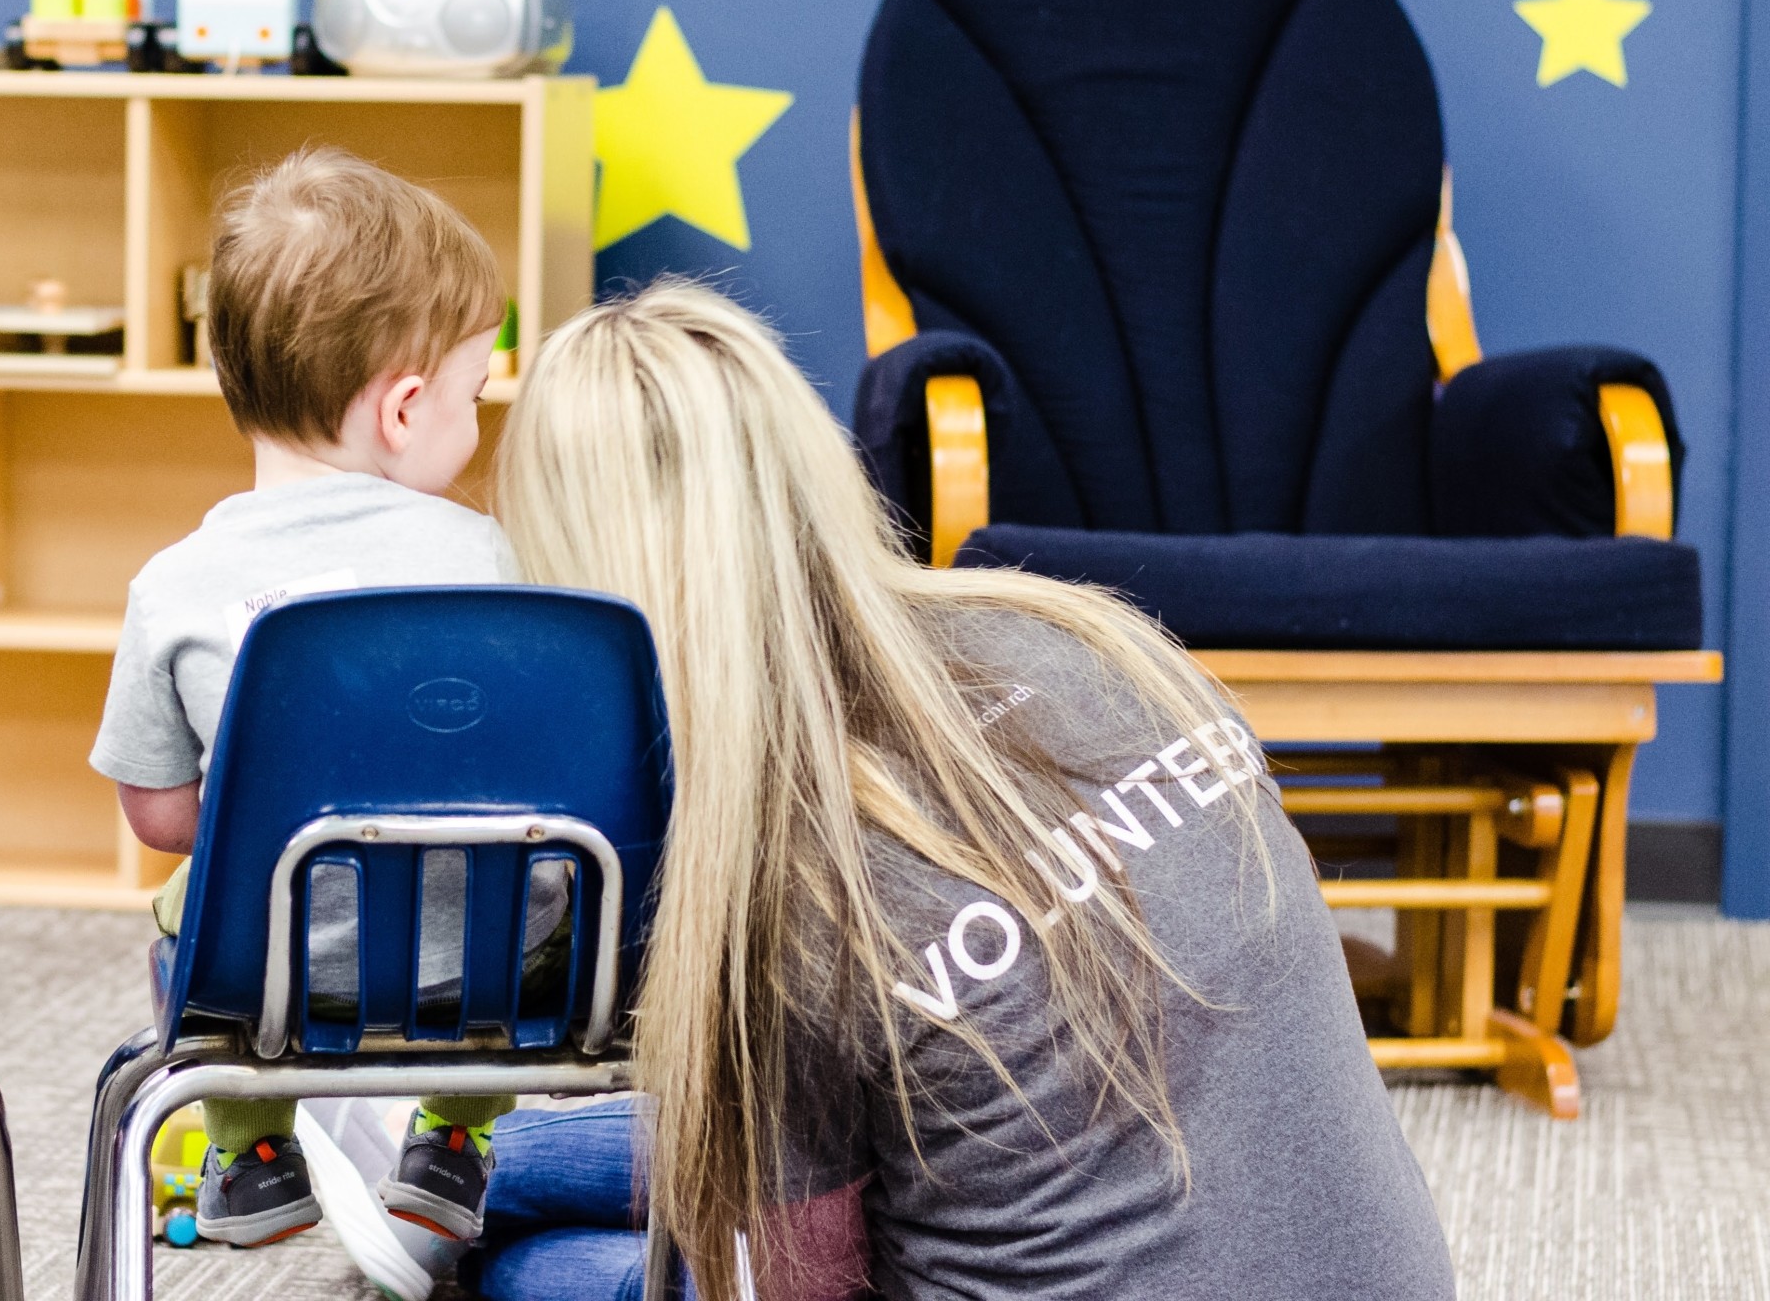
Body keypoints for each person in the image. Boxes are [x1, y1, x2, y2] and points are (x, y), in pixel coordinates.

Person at [484, 281, 1455, 1301]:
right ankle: (468, 1169)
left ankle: (457, 1179)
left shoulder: (780, 878)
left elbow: (792, 1288)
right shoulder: (1090, 635)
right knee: (679, 1147)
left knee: (534, 1270)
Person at [91, 147, 520, 1249]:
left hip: (276, 972)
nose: (476, 420)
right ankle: (455, 1134)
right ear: (406, 407)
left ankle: (248, 1145)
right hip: (488, 973)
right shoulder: (497, 559)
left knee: (184, 902)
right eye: (475, 396)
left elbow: (156, 817)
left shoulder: (173, 583)